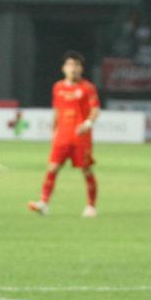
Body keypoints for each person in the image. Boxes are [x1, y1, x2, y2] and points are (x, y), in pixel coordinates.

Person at [29, 51, 100, 217]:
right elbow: (57, 111)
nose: (73, 69)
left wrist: (87, 123)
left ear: (81, 68)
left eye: (76, 65)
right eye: (70, 65)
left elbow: (95, 110)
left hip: (80, 138)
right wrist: (53, 131)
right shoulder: (58, 87)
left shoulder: (87, 88)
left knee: (86, 170)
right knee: (52, 168)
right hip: (62, 137)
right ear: (64, 68)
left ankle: (91, 206)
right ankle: (44, 203)